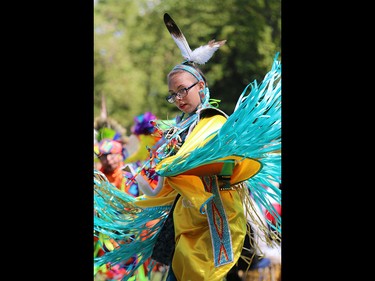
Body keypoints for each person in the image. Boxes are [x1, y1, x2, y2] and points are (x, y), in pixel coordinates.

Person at [94, 13, 281, 281]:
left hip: (215, 217)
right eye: (173, 94)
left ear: (201, 86)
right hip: (185, 219)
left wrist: (176, 167)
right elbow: (167, 184)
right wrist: (137, 198)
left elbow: (224, 167)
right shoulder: (179, 129)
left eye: (183, 90)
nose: (178, 98)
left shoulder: (214, 122)